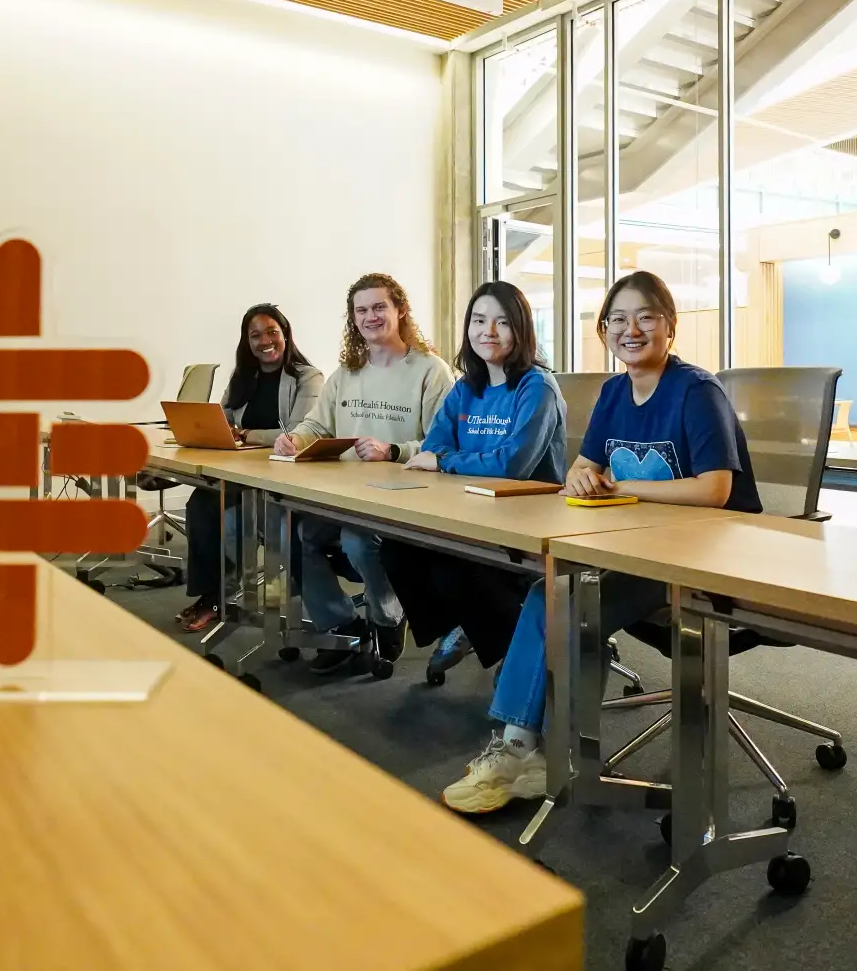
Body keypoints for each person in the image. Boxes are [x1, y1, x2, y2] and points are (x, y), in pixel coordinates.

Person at [440, 270, 763, 814]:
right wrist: (585, 478)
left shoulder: (696, 391)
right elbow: (582, 469)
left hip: (708, 558)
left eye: (645, 317)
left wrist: (621, 484)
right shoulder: (614, 392)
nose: (630, 329)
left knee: (564, 603)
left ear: (670, 326)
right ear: (604, 331)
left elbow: (716, 489)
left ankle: (529, 751)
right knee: (554, 593)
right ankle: (522, 750)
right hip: (636, 545)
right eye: (617, 319)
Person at [273, 273, 453, 674]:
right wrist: (295, 440)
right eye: (361, 310)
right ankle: (340, 625)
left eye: (379, 307)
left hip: (404, 500)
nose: (370, 317)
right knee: (291, 532)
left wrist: (394, 450)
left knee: (357, 541)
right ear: (353, 319)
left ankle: (388, 617)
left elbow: (443, 445)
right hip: (345, 498)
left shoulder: (430, 370)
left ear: (400, 310)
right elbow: (318, 426)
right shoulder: (346, 373)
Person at [388, 280, 566, 679]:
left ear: (521, 330)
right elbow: (432, 446)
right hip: (469, 511)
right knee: (398, 548)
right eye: (479, 320)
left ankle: (514, 659)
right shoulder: (467, 387)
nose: (489, 331)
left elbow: (512, 465)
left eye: (502, 322)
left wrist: (448, 461)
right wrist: (446, 458)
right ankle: (470, 627)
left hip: (527, 519)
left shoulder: (537, 386)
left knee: (455, 567)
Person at [177, 304, 323, 632]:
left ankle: (233, 592)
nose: (264, 341)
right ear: (247, 341)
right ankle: (212, 595)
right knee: (200, 505)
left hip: (284, 473)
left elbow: (300, 431)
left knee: (223, 512)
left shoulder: (307, 377)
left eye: (272, 332)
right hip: (242, 468)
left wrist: (245, 434)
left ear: (285, 335)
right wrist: (210, 428)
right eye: (255, 335)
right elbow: (222, 418)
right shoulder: (244, 376)